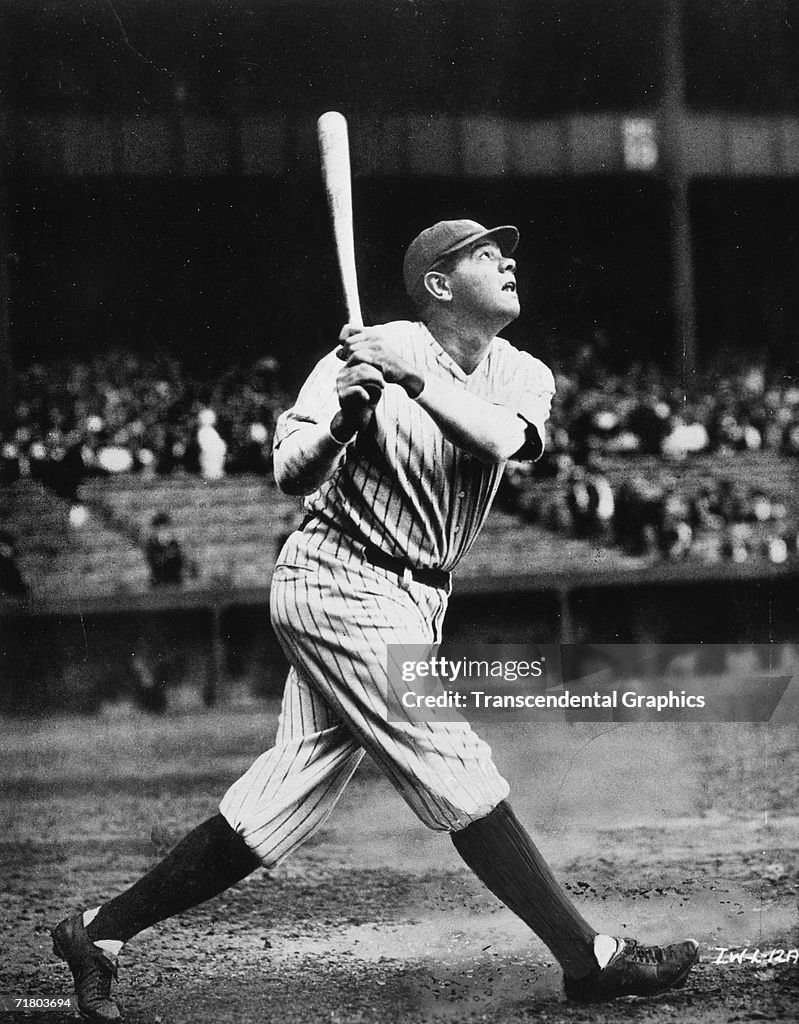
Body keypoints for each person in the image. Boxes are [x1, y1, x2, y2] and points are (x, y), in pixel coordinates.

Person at [51, 219, 699, 1021]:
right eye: (484, 253)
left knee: (279, 799)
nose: (507, 259)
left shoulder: (521, 372)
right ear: (437, 284)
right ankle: (586, 959)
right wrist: (341, 425)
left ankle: (98, 933)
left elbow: (508, 443)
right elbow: (291, 474)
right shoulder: (359, 354)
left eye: (506, 251)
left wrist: (413, 382)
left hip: (417, 594)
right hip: (337, 576)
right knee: (453, 762)